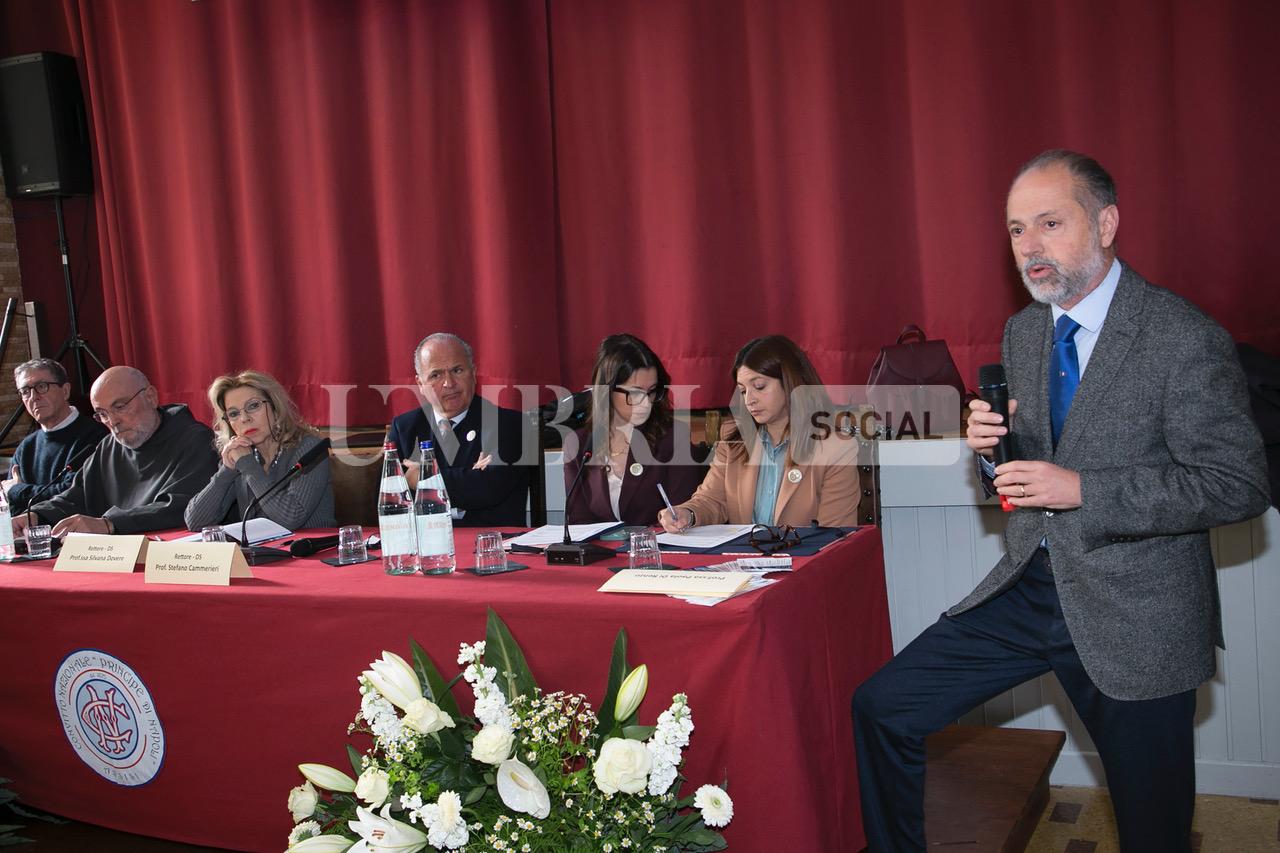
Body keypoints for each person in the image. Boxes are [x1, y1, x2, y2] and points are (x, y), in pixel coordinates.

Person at [851, 150, 1270, 853]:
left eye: (1050, 222)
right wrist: (990, 453)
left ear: (1105, 223)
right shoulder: (1022, 332)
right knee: (883, 707)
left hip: (1140, 614)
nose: (1030, 246)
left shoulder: (1182, 336)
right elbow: (1025, 476)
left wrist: (1085, 491)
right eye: (1017, 229)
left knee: (1153, 829)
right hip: (1030, 586)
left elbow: (1238, 481)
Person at [659, 334, 859, 532]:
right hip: (742, 560)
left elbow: (836, 534)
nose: (749, 400)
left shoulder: (835, 447)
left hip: (805, 561)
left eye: (759, 387)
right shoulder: (733, 439)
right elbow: (712, 500)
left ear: (791, 382)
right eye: (743, 391)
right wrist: (688, 513)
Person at [17, 365, 220, 536]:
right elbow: (77, 496)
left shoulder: (196, 439)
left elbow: (181, 506)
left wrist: (109, 523)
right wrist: (34, 516)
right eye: (102, 414)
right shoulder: (108, 446)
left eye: (120, 406)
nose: (112, 421)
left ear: (150, 397)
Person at [387, 332, 533, 527]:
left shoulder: (510, 424)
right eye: (436, 375)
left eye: (457, 370)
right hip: (424, 546)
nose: (449, 383)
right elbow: (389, 499)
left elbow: (487, 489)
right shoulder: (404, 428)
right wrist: (467, 478)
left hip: (490, 546)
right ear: (420, 384)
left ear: (473, 373)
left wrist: (423, 478)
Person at [562, 334, 705, 525]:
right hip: (601, 553)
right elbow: (579, 523)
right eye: (635, 392)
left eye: (652, 391)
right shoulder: (578, 444)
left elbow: (682, 516)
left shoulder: (673, 438)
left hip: (657, 550)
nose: (645, 402)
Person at [184, 370, 334, 531]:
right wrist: (226, 471)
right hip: (265, 554)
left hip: (311, 551)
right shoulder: (241, 454)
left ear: (275, 408)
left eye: (253, 406)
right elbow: (195, 521)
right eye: (233, 414)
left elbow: (291, 518)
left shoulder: (309, 448)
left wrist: (248, 466)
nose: (244, 419)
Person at [2, 358, 107, 513]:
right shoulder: (26, 447)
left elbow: (71, 495)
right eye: (25, 391)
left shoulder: (95, 437)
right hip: (31, 534)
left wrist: (18, 490)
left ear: (65, 391)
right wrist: (16, 494)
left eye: (41, 386)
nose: (33, 397)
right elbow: (12, 507)